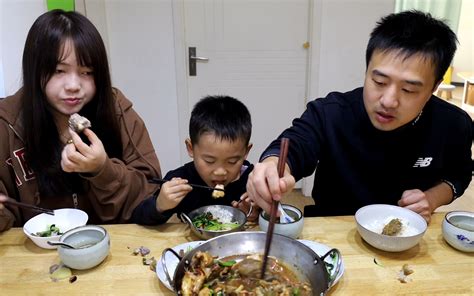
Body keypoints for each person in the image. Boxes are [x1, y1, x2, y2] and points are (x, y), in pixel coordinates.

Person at [246, 10, 472, 223]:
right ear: (367, 71)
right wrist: (272, 165)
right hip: (333, 230)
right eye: (379, 82)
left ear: (434, 87)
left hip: (406, 233)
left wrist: (431, 199)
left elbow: (459, 175)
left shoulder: (454, 124)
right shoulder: (331, 113)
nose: (388, 101)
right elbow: (296, 144)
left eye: (409, 90)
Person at [0, 10, 161, 232]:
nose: (74, 85)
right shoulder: (6, 123)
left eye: (87, 72)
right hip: (35, 256)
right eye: (59, 71)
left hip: (113, 248)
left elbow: (151, 194)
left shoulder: (117, 111)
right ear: (34, 70)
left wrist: (102, 169)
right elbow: (6, 218)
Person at [131, 95, 256, 225]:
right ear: (191, 148)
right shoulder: (181, 179)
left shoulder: (253, 181)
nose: (220, 172)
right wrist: (160, 205)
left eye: (232, 162)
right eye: (209, 161)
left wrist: (256, 213)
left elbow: (274, 218)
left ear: (246, 152)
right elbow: (138, 219)